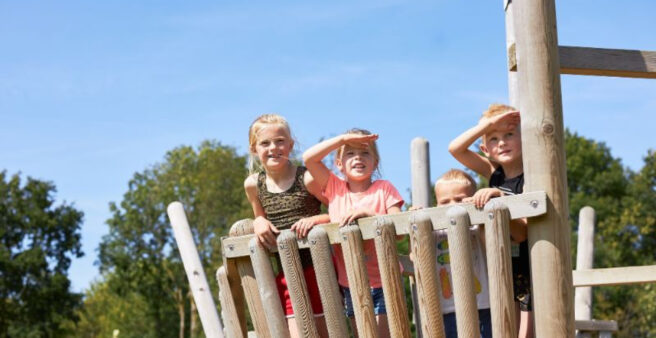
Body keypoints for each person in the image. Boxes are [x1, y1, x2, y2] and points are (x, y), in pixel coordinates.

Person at [303, 128, 404, 338]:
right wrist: (342, 140)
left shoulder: (384, 189)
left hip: (386, 280)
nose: (358, 157)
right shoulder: (335, 188)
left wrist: (370, 215)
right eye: (350, 153)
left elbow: (399, 231)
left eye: (365, 152)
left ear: (375, 162)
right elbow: (309, 159)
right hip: (351, 284)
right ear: (339, 164)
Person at [448, 104, 533, 338]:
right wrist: (487, 125)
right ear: (485, 149)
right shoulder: (494, 173)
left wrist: (500, 199)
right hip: (501, 268)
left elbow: (523, 232)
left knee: (528, 333)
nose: (502, 143)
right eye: (494, 139)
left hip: (531, 267)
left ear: (526, 138)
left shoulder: (532, 175)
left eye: (509, 135)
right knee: (506, 330)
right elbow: (455, 148)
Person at [244, 114, 330, 338]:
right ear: (254, 149)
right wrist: (259, 221)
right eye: (265, 143)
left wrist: (315, 220)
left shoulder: (307, 178)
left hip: (319, 270)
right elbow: (259, 217)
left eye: (280, 141)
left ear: (290, 145)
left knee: (323, 332)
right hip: (285, 273)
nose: (274, 147)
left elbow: (339, 212)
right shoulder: (254, 184)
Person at [433, 169, 492, 338]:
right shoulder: (435, 231)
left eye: (459, 199)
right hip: (448, 308)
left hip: (481, 304)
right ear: (436, 205)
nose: (452, 205)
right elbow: (417, 257)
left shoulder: (476, 227)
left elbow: (490, 244)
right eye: (444, 202)